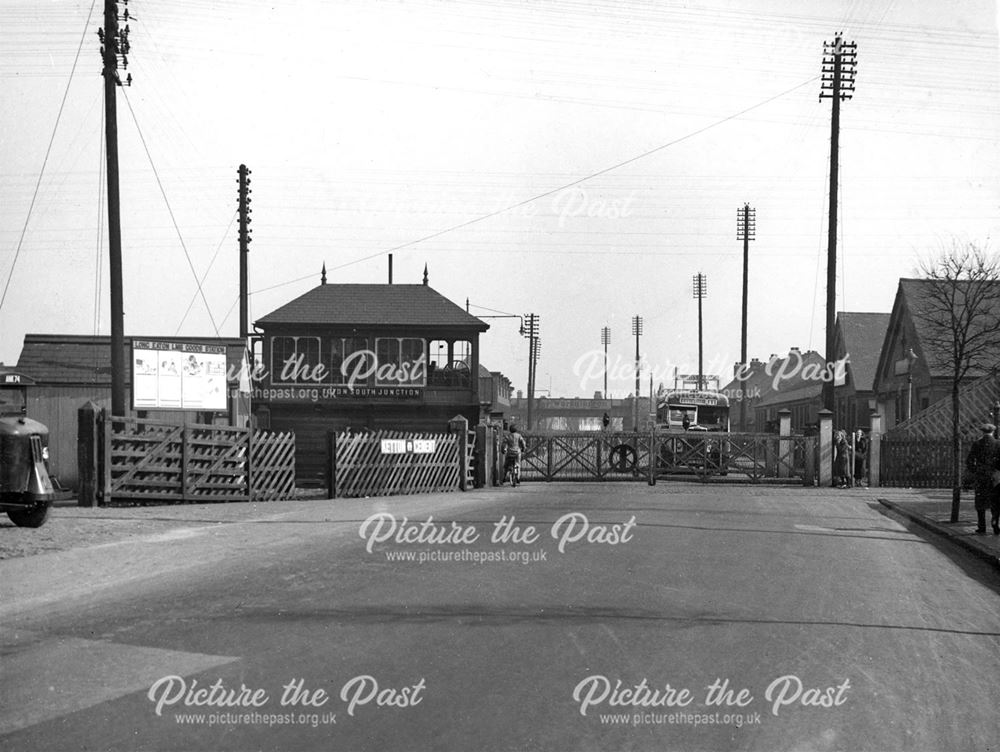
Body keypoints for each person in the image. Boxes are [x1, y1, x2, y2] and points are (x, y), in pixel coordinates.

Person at [964, 423, 1000, 535]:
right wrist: (997, 470)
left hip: (981, 477)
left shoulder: (977, 444)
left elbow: (969, 461)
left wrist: (976, 470)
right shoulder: (998, 444)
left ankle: (982, 526)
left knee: (980, 502)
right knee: (996, 502)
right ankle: (995, 525)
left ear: (982, 432)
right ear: (993, 432)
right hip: (995, 478)